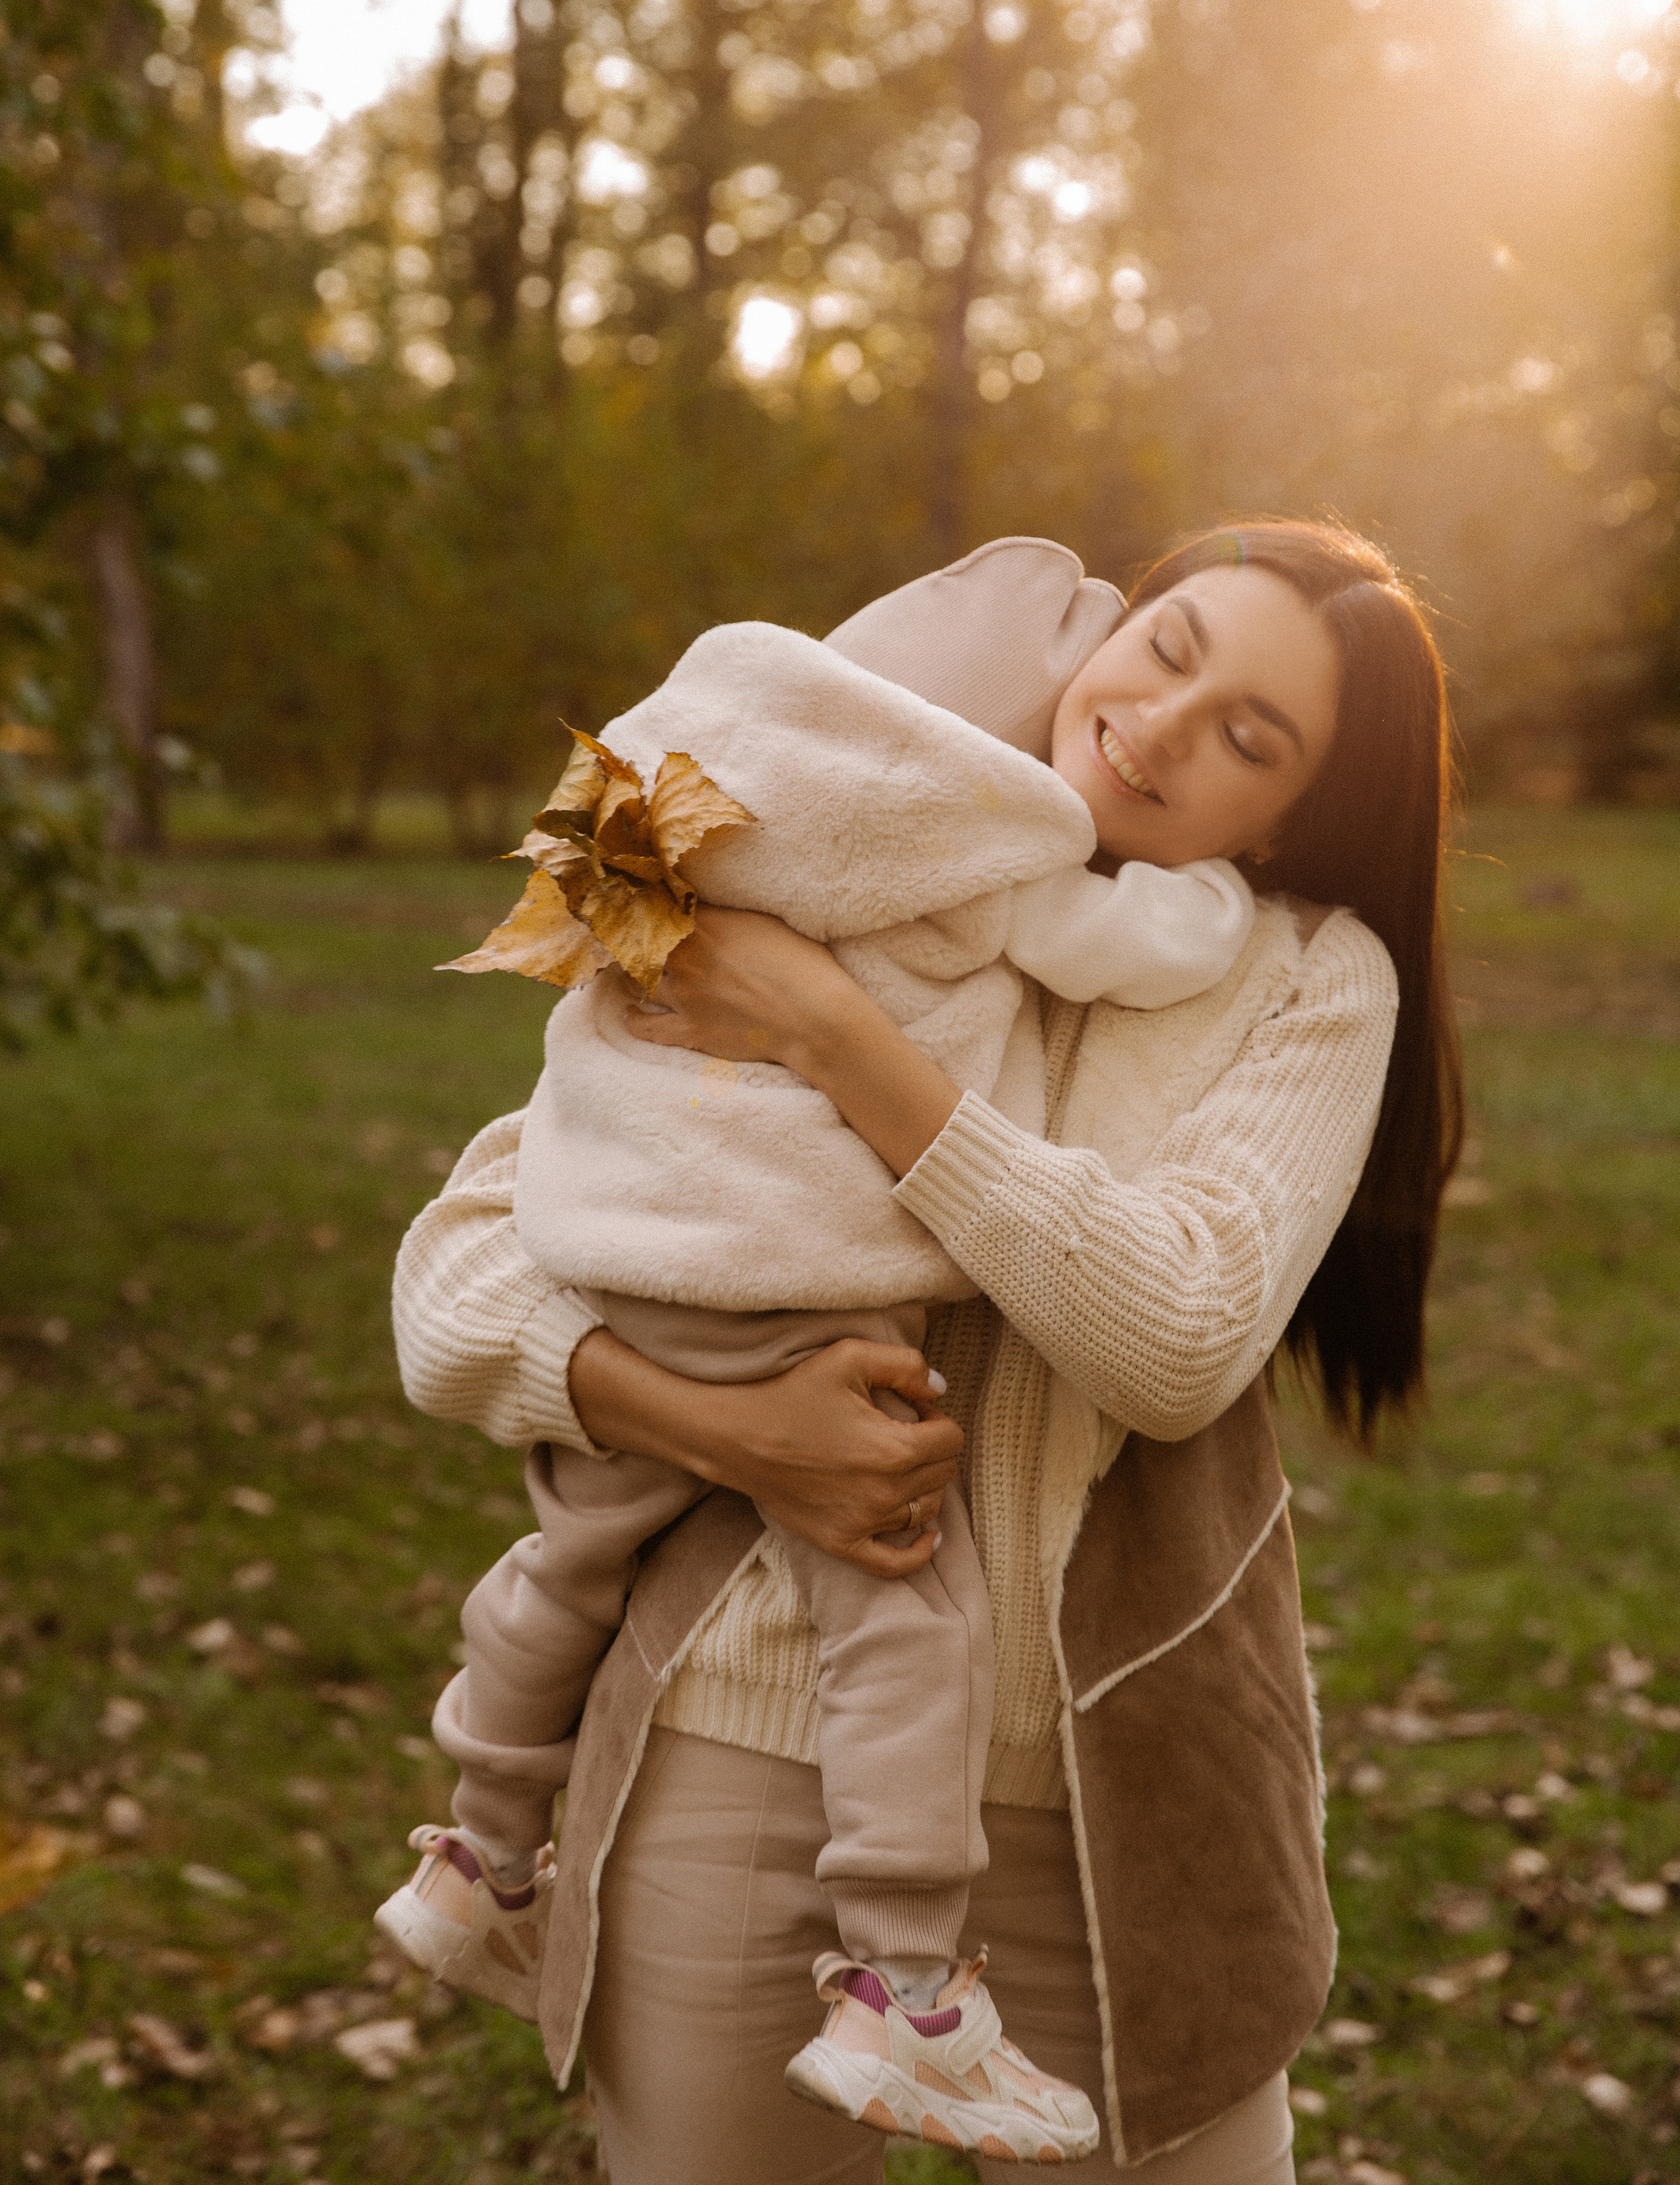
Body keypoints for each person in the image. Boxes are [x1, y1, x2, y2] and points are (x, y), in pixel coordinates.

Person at [392, 520, 1461, 2184]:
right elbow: (458, 1274)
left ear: (1298, 815)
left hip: (1132, 1805)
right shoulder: (832, 850)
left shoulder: (1304, 978)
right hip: (745, 1753)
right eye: (1169, 649)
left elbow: (1171, 1335)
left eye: (1252, 737)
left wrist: (831, 1034)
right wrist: (724, 1428)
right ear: (1109, 628)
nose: (1166, 726)